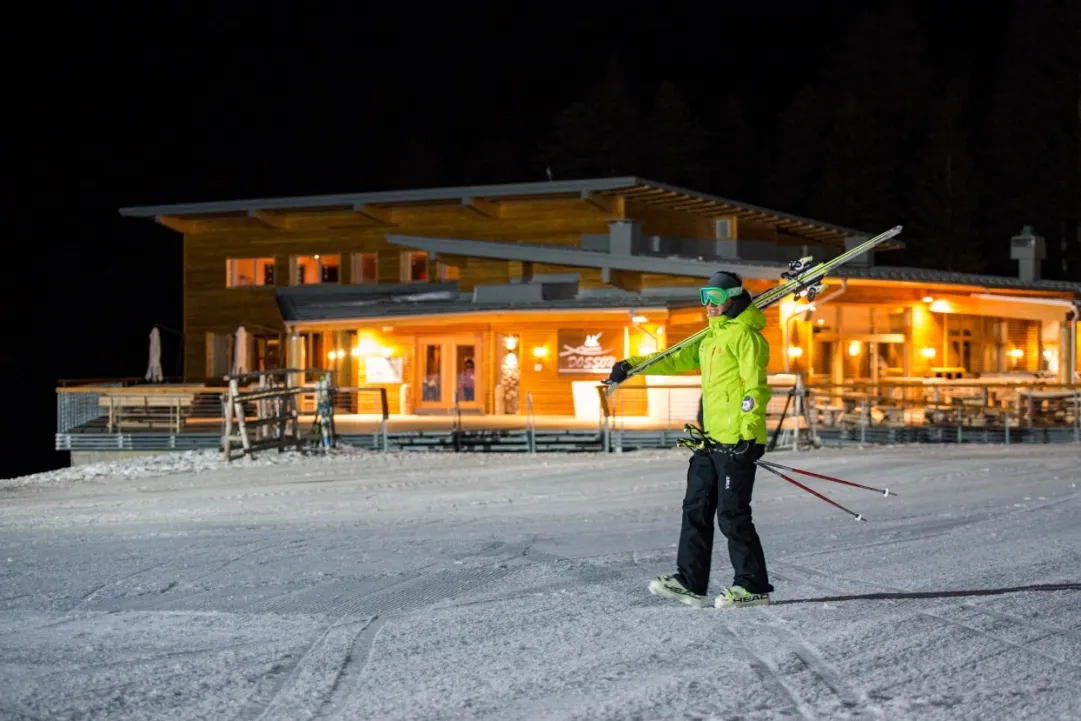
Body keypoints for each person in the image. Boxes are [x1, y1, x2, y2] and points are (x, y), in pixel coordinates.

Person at [606, 270, 774, 609]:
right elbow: (673, 358)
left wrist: (748, 432)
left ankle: (752, 586)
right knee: (695, 509)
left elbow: (755, 389)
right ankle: (690, 582)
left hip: (738, 441)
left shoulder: (747, 337)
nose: (708, 305)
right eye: (704, 297)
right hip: (709, 439)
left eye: (715, 297)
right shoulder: (710, 339)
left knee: (732, 514)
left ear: (734, 297)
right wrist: (631, 366)